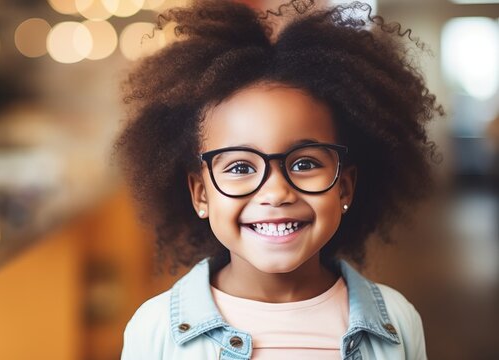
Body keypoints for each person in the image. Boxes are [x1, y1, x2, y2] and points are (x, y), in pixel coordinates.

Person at [114, 0, 442, 359]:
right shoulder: (156, 330)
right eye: (240, 168)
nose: (275, 192)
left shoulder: (398, 323)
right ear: (201, 194)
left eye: (304, 163)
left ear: (344, 187)